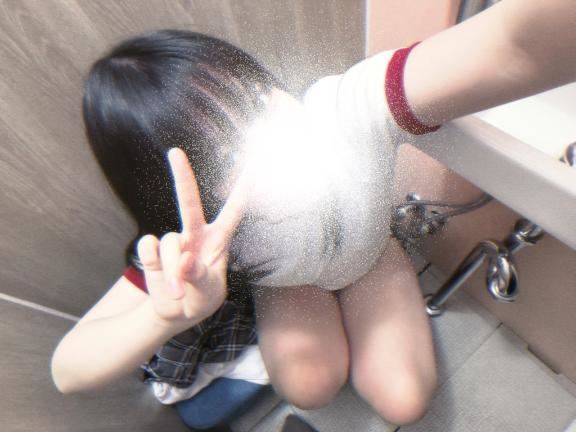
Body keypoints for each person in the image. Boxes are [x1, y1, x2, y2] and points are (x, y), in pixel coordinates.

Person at [51, 0, 576, 428]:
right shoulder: (200, 235)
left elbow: (513, 46)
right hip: (288, 286)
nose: (275, 133)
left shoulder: (341, 111)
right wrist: (166, 316)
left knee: (404, 401)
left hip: (370, 259)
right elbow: (68, 370)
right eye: (224, 152)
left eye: (257, 96)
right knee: (309, 387)